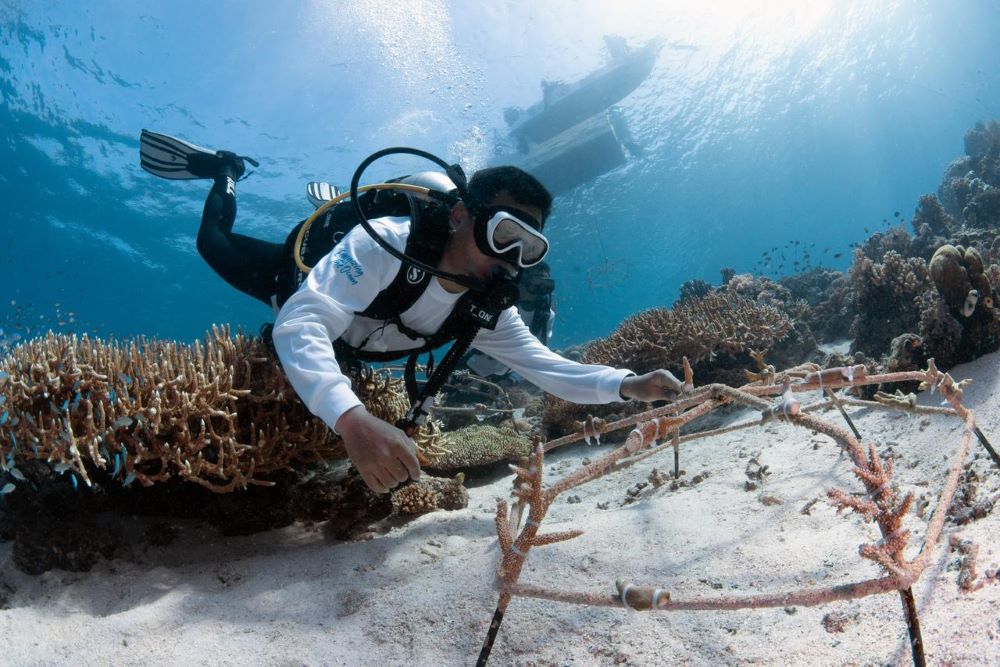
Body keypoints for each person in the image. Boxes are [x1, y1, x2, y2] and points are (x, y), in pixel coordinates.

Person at [140, 130, 686, 494]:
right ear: (458, 215)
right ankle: (225, 171)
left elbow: (549, 369)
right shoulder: (385, 245)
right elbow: (302, 323)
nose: (511, 263)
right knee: (213, 243)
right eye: (503, 236)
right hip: (294, 281)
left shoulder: (485, 307)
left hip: (357, 337)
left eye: (529, 248)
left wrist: (629, 385)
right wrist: (352, 420)